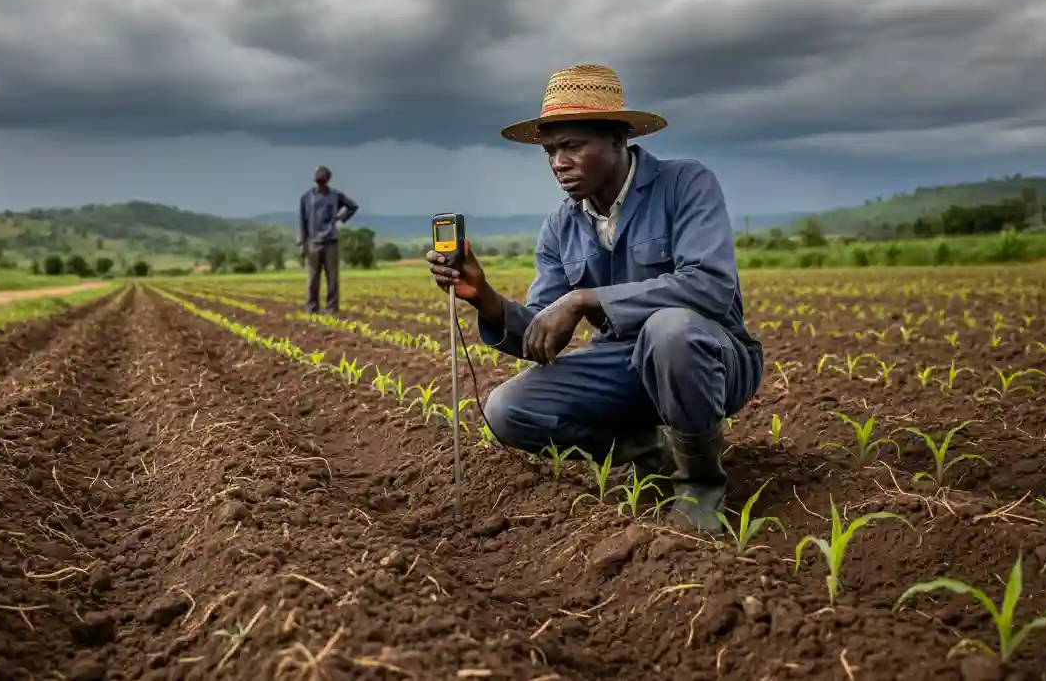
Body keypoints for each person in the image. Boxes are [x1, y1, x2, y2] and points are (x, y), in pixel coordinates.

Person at [426, 64, 764, 533]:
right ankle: (649, 454)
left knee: (669, 330)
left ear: (617, 139)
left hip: (709, 356)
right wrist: (482, 296)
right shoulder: (561, 225)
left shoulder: (685, 184)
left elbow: (708, 284)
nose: (558, 163)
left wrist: (586, 299)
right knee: (506, 410)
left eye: (572, 146)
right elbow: (539, 333)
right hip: (622, 368)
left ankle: (700, 487)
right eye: (550, 151)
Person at [298, 165, 359, 313]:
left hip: (331, 241)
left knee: (332, 278)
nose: (321, 183)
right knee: (313, 278)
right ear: (315, 180)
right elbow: (302, 221)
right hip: (313, 242)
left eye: (323, 180)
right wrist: (302, 242)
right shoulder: (306, 198)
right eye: (319, 180)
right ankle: (311, 308)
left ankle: (332, 309)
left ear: (327, 180)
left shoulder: (335, 195)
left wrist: (341, 217)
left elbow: (353, 206)